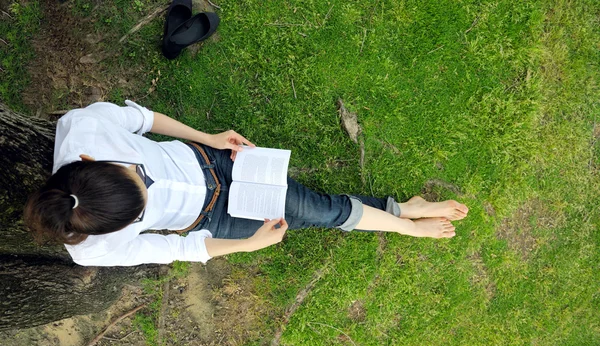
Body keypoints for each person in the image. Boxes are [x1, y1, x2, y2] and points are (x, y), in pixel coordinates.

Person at [24, 101, 469, 267]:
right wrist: (247, 246)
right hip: (212, 217)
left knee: (318, 209)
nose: (148, 180)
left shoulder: (84, 129)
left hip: (211, 162)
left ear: (89, 160)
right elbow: (180, 249)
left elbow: (145, 119)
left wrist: (208, 138)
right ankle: (401, 213)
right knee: (311, 214)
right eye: (142, 211)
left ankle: (407, 219)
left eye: (140, 173)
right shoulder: (97, 249)